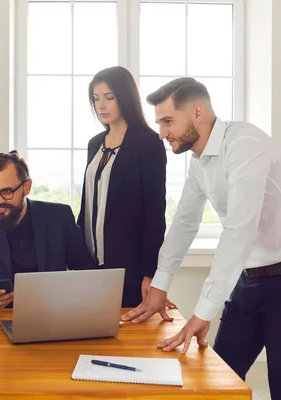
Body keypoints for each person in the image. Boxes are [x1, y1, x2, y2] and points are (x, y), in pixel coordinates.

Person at [122, 77, 281, 399]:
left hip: (279, 281)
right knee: (218, 382)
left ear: (197, 111)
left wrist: (202, 312)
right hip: (246, 282)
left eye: (168, 121)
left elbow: (239, 230)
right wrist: (159, 287)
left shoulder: (245, 144)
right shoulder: (199, 161)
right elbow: (184, 223)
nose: (162, 133)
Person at [0, 151, 96, 317]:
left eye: (7, 192)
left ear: (26, 187)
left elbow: (86, 271)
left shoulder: (59, 217)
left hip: (55, 315)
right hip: (1, 320)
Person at [77, 66, 175, 308]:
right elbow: (88, 204)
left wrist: (150, 274)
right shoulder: (95, 144)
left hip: (128, 269)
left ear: (125, 97)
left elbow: (154, 214)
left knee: (127, 342)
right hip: (88, 266)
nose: (101, 105)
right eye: (96, 99)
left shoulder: (148, 144)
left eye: (109, 98)